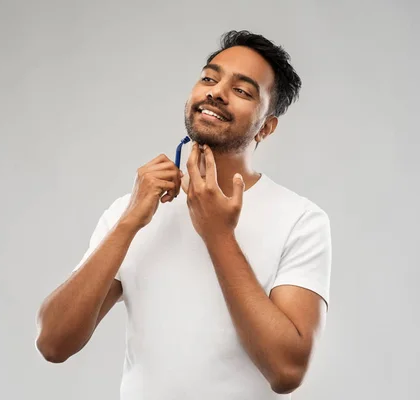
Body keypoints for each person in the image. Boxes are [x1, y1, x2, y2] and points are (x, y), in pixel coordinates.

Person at [35, 30, 332, 399]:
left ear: (267, 127)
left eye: (242, 90)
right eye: (209, 78)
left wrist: (218, 235)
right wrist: (128, 222)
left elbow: (287, 371)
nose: (216, 92)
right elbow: (53, 343)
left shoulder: (301, 220)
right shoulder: (133, 211)